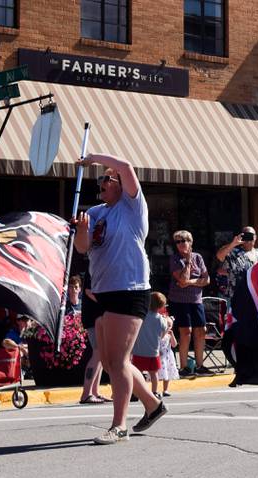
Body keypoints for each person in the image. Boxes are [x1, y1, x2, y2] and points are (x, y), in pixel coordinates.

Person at [74, 153, 167, 445]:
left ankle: (119, 425)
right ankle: (153, 405)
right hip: (103, 291)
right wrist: (81, 230)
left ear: (119, 183)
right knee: (115, 362)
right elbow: (82, 248)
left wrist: (92, 159)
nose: (101, 182)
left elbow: (126, 166)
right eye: (99, 178)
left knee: (117, 360)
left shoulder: (132, 207)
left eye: (106, 178)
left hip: (130, 289)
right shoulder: (97, 212)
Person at [168, 230, 212, 376]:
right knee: (185, 332)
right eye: (178, 242)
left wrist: (190, 282)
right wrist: (187, 262)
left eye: (184, 240)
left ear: (190, 242)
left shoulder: (198, 257)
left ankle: (200, 365)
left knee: (201, 331)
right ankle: (184, 367)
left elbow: (206, 279)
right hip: (179, 301)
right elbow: (181, 280)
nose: (181, 244)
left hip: (196, 300)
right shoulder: (175, 259)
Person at [79, 270, 109, 404]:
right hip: (93, 317)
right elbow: (88, 291)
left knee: (101, 354)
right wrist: (107, 304)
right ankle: (86, 394)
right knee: (97, 353)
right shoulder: (93, 267)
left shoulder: (97, 265)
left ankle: (95, 392)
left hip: (97, 316)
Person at [131, 292, 169, 397]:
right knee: (154, 374)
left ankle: (135, 392)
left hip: (139, 351)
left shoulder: (142, 316)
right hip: (153, 352)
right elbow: (164, 331)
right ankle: (154, 391)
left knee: (137, 372)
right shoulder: (161, 319)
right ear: (161, 306)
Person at [215, 226, 258, 302]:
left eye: (250, 235)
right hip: (236, 297)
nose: (248, 238)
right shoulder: (233, 252)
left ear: (255, 237)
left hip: (255, 297)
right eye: (245, 235)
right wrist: (233, 244)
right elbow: (219, 256)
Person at [157, 315, 179, 396]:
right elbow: (157, 342)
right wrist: (164, 332)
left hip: (168, 356)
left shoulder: (170, 335)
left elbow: (174, 345)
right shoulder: (159, 334)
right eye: (167, 325)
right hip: (160, 356)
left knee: (167, 373)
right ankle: (155, 389)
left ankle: (165, 390)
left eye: (170, 325)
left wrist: (172, 335)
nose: (169, 327)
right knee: (157, 373)